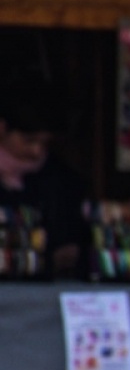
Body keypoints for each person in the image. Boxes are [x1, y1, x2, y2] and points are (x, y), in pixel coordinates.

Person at [0, 81, 89, 279]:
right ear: (2, 128)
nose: (36, 151)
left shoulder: (62, 180)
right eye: (28, 140)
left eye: (44, 143)